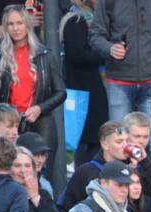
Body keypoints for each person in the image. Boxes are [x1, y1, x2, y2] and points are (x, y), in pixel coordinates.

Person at [0, 5, 65, 188]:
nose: (15, 28)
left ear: (28, 25)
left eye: (20, 23)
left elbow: (61, 92)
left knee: (40, 176)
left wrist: (40, 108)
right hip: (11, 123)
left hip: (41, 122)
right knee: (10, 171)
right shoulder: (1, 56)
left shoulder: (44, 55)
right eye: (11, 24)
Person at [89, 0, 151, 157]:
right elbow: (95, 36)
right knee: (120, 140)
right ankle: (123, 172)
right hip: (119, 81)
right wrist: (110, 48)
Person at [60, 0, 111, 167]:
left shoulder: (89, 19)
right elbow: (77, 54)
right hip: (85, 91)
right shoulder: (77, 20)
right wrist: (106, 54)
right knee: (89, 140)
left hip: (90, 89)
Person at [61, 121, 132, 211]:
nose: (125, 146)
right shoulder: (86, 171)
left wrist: (144, 162)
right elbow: (67, 206)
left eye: (127, 141)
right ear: (105, 144)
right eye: (119, 142)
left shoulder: (132, 168)